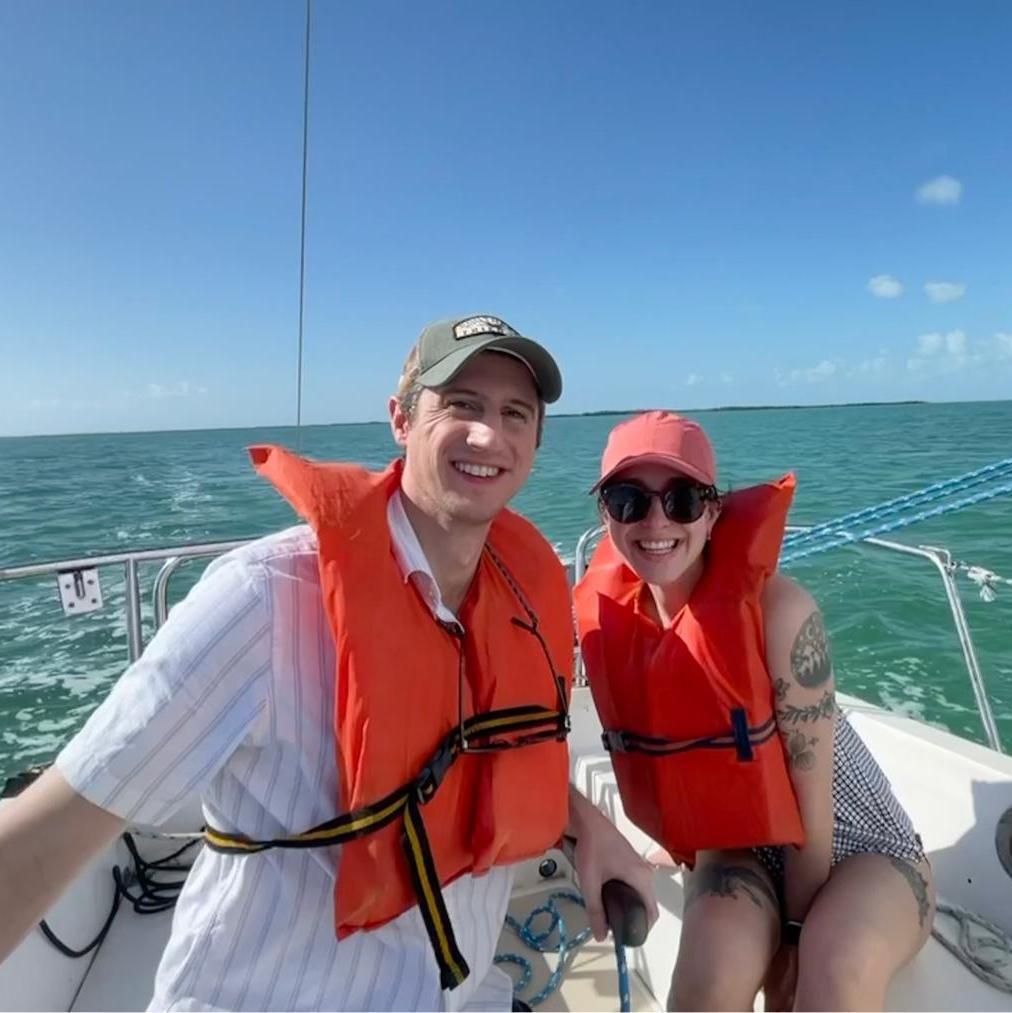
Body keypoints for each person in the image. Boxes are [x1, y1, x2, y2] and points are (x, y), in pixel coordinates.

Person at [0, 315, 656, 1012]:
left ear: (535, 441)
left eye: (514, 413)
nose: (489, 435)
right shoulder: (263, 600)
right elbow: (54, 824)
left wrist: (591, 824)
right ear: (400, 418)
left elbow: (499, 753)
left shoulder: (521, 596)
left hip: (465, 996)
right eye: (460, 404)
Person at [574, 409, 934, 1011]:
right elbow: (523, 729)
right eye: (629, 499)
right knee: (706, 986)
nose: (657, 520)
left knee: (834, 965)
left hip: (858, 848)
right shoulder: (602, 624)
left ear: (713, 512)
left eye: (683, 498)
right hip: (737, 847)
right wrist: (592, 829)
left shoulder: (782, 614)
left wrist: (790, 937)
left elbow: (811, 812)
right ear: (605, 514)